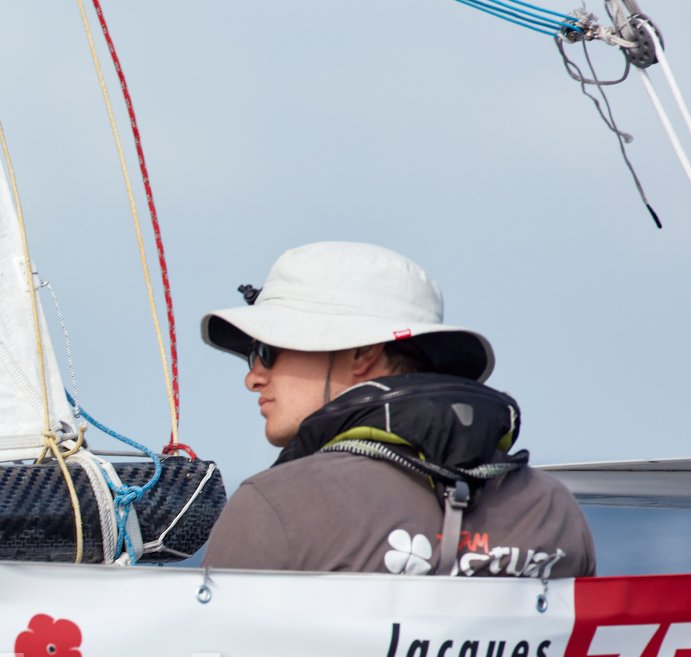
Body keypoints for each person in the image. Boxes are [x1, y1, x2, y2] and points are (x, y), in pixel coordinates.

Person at [199, 241, 594, 577]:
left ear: (362, 352)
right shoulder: (552, 509)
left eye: (267, 351)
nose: (252, 378)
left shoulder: (272, 506)